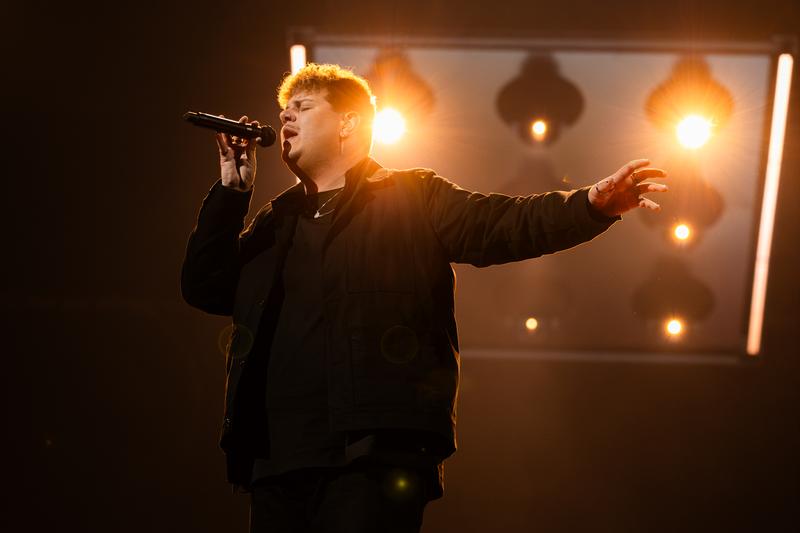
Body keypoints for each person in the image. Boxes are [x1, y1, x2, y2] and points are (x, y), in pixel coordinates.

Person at [180, 63, 667, 533]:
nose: (285, 116)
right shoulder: (274, 221)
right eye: (284, 108)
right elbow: (207, 287)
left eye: (302, 106)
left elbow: (505, 225)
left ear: (349, 122)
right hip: (275, 459)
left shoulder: (413, 197)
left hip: (372, 450)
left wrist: (589, 205)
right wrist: (231, 193)